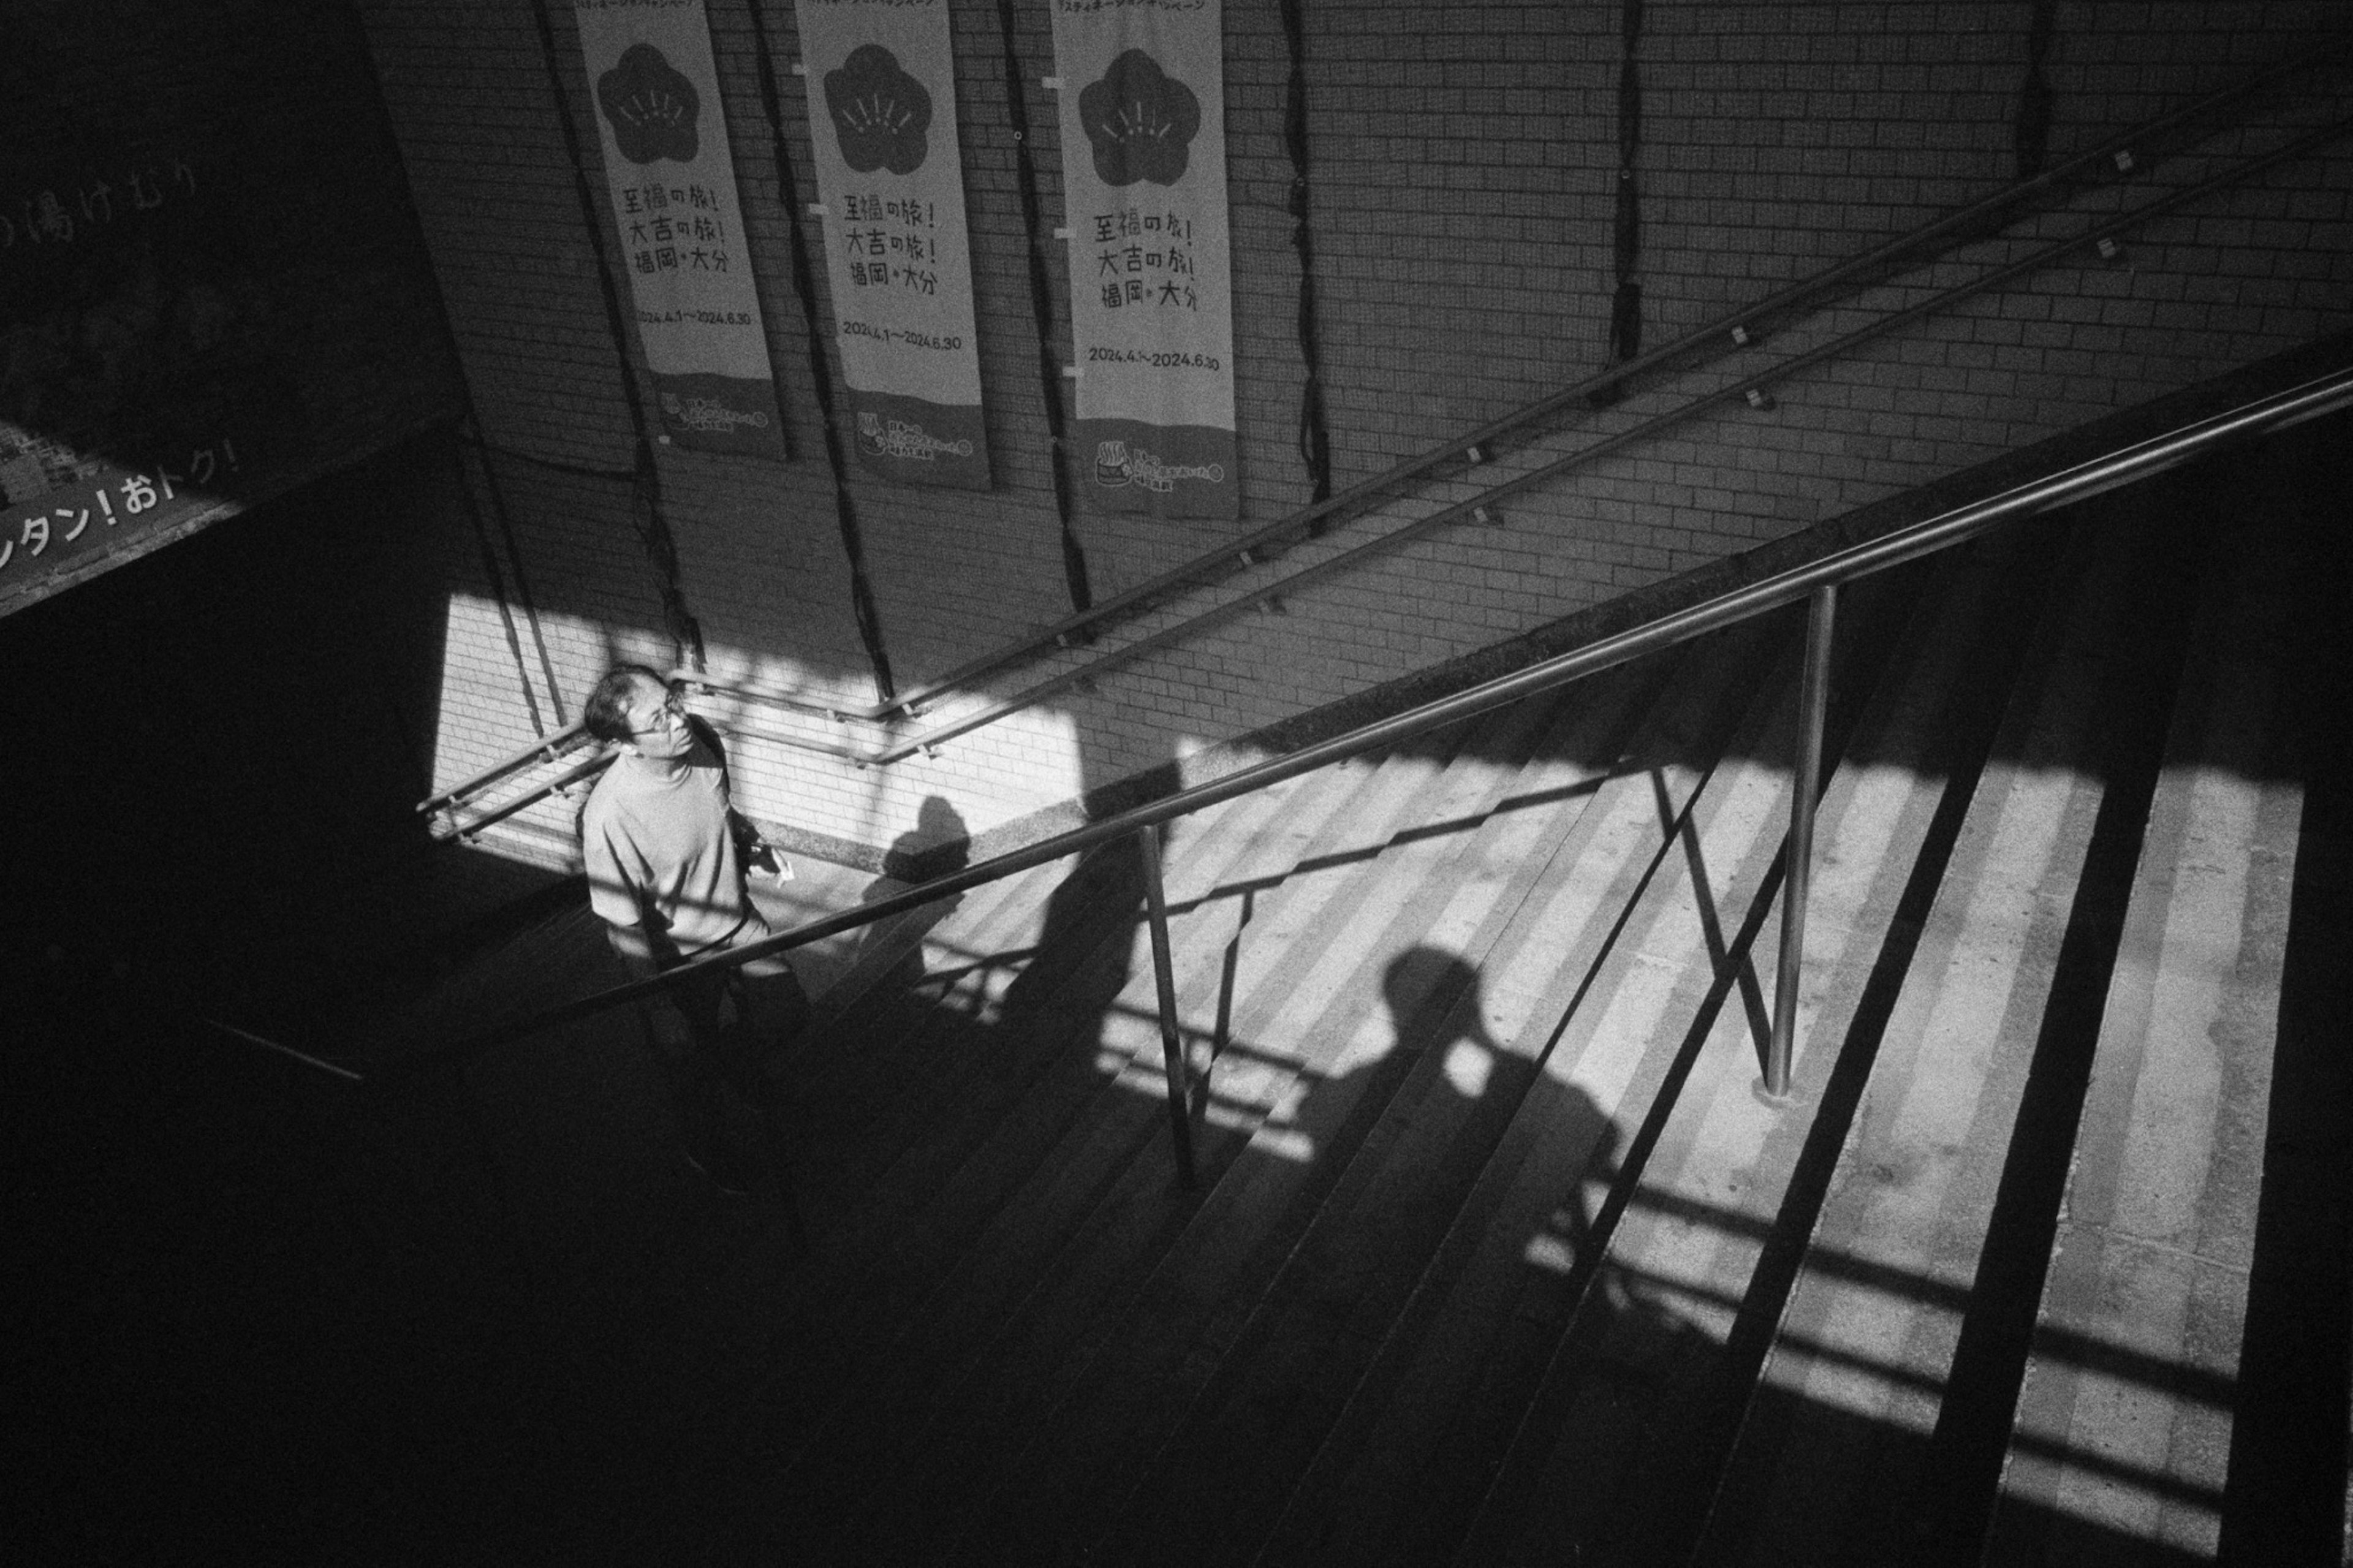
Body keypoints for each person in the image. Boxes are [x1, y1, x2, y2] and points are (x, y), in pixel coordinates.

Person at [578, 664, 808, 1190]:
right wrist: (658, 1006)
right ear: (628, 745)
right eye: (659, 718)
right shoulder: (610, 816)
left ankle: (735, 1067)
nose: (678, 720)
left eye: (674, 703)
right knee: (687, 1064)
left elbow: (719, 811)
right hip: (675, 956)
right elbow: (623, 923)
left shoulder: (701, 742)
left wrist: (750, 844)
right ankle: (708, 1149)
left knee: (787, 1012)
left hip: (737, 920)